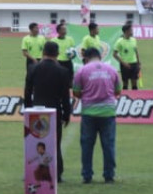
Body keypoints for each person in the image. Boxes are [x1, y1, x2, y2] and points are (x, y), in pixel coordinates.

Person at [24, 40, 73, 180]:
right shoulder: (63, 71)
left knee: (35, 142)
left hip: (36, 111)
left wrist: (28, 109)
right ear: (57, 54)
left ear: (43, 52)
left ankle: (32, 170)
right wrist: (66, 114)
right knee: (55, 143)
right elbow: (65, 97)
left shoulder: (33, 68)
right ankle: (57, 173)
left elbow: (27, 92)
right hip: (54, 111)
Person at [73, 47, 121, 184]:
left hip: (89, 112)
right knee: (108, 145)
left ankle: (87, 175)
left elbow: (76, 92)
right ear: (99, 56)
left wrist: (86, 94)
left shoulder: (82, 70)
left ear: (86, 58)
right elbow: (118, 91)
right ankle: (109, 175)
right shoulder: (112, 70)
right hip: (108, 112)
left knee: (87, 145)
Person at [113, 23, 141, 90]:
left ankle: (135, 96)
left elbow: (136, 51)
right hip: (125, 65)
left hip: (134, 64)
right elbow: (114, 54)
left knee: (134, 83)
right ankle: (125, 96)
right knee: (125, 84)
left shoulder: (133, 40)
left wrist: (138, 62)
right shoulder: (119, 42)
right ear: (126, 31)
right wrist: (123, 63)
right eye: (131, 30)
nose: (132, 31)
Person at [54, 20, 78, 84]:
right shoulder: (54, 40)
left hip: (68, 61)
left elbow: (73, 50)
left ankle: (68, 89)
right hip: (58, 62)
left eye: (65, 29)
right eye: (63, 29)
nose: (65, 31)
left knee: (69, 79)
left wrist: (72, 55)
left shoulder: (70, 39)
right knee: (58, 80)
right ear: (58, 31)